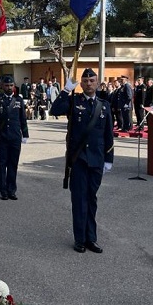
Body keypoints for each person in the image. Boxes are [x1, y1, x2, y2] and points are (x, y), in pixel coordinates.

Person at [49, 68, 114, 254]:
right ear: (81, 83)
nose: (88, 83)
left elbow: (109, 134)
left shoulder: (104, 105)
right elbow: (55, 109)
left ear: (97, 82)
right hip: (78, 160)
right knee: (79, 200)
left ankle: (91, 238)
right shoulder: (73, 101)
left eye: (92, 80)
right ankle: (80, 239)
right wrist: (65, 91)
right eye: (85, 81)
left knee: (91, 200)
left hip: (97, 160)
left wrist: (109, 158)